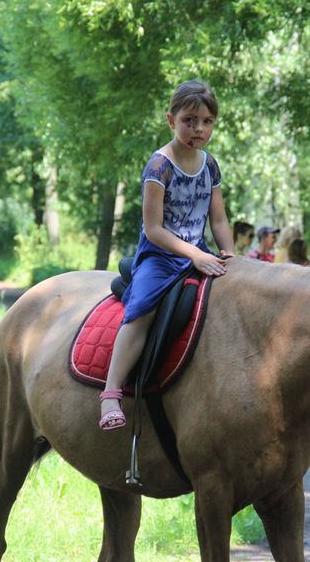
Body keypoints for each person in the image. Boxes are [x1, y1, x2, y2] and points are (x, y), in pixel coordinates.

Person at [99, 80, 235, 430]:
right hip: (161, 255)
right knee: (142, 309)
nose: (198, 129)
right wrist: (194, 256)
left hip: (200, 252)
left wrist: (230, 254)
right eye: (190, 120)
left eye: (206, 121)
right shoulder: (160, 165)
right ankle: (111, 392)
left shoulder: (211, 165)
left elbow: (218, 219)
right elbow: (154, 228)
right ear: (171, 120)